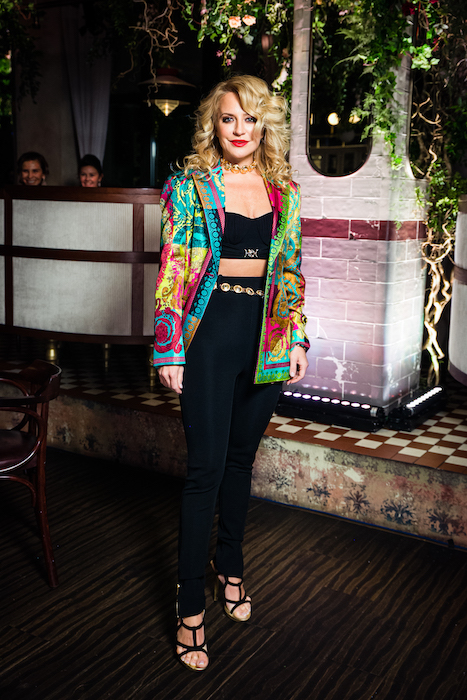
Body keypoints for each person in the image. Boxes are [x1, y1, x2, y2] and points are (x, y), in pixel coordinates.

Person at [153, 75, 309, 671]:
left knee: (242, 461)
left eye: (250, 118)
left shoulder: (284, 189)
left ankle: (232, 566)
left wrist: (296, 337)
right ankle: (190, 605)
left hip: (266, 335)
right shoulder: (189, 185)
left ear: (265, 124)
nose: (239, 129)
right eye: (227, 118)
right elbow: (173, 269)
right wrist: (169, 349)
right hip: (209, 334)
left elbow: (290, 270)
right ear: (213, 125)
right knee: (205, 471)